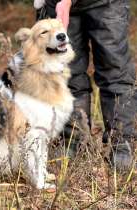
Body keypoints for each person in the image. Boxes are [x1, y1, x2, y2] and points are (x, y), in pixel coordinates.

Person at [34, 0, 137, 171]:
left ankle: (122, 144)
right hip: (56, 3)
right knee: (65, 73)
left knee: (115, 71)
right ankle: (71, 141)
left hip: (107, 4)